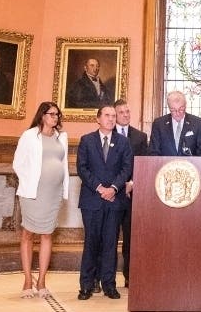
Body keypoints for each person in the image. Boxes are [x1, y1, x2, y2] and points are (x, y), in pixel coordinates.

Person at [12, 100, 69, 299]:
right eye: (52, 114)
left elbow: (63, 164)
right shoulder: (29, 136)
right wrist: (31, 180)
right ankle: (28, 280)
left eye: (57, 115)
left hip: (53, 194)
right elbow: (18, 163)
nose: (55, 118)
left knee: (47, 234)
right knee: (28, 233)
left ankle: (42, 280)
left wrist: (63, 187)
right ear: (42, 115)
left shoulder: (62, 137)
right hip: (32, 193)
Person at [76, 104, 133, 300]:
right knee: (91, 243)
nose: (110, 118)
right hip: (92, 200)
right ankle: (86, 285)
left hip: (115, 200)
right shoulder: (87, 141)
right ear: (98, 119)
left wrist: (114, 189)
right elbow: (82, 169)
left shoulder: (123, 142)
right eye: (106, 115)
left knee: (110, 244)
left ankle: (109, 285)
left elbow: (126, 169)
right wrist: (100, 188)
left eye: (113, 115)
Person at [114, 98, 148, 287]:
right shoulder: (108, 134)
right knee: (109, 238)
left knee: (131, 239)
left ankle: (130, 277)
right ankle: (105, 278)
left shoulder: (140, 137)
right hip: (112, 195)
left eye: (128, 111)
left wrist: (133, 183)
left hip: (133, 195)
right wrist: (116, 186)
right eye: (121, 112)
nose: (126, 115)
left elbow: (144, 163)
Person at [148, 90, 201, 156]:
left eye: (181, 109)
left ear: (185, 105)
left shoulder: (197, 123)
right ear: (169, 107)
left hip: (190, 165)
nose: (177, 113)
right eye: (173, 110)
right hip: (166, 165)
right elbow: (153, 152)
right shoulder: (159, 124)